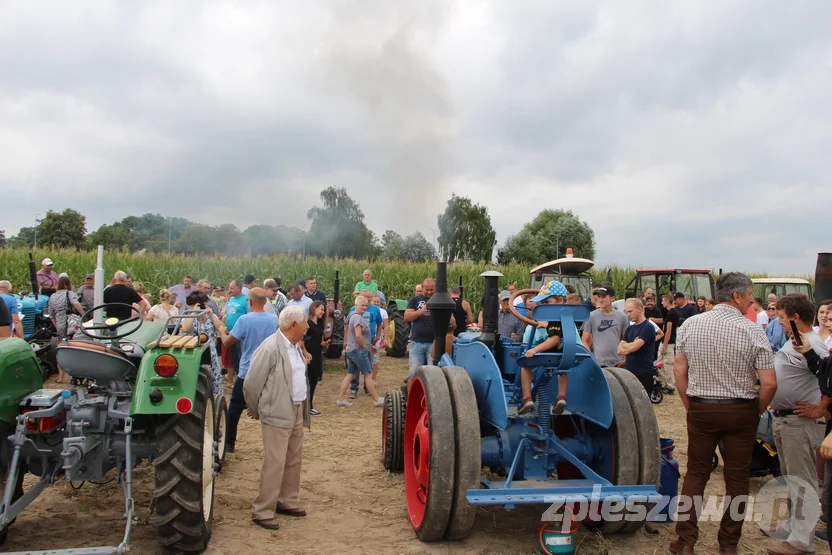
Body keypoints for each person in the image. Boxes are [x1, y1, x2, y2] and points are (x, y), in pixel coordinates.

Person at [668, 272, 776, 555]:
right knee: (737, 479)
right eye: (750, 295)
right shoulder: (753, 330)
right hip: (741, 410)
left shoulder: (691, 324)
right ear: (737, 296)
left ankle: (686, 541)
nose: (752, 301)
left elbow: (679, 370)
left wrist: (689, 404)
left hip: (702, 406)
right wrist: (756, 411)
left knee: (696, 474)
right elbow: (769, 382)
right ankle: (728, 544)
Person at [765, 294, 828, 555]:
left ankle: (802, 541)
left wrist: (821, 408)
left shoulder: (815, 345)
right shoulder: (797, 343)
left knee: (802, 481)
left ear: (795, 318)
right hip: (785, 419)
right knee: (792, 479)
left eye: (781, 317)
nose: (778, 322)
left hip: (799, 421)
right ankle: (795, 526)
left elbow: (828, 376)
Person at [244, 305, 311, 530]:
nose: (308, 326)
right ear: (293, 325)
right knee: (275, 462)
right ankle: (262, 510)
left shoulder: (295, 346)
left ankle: (287, 501)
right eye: (305, 322)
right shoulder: (270, 348)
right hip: (277, 412)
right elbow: (252, 383)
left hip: (296, 410)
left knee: (293, 459)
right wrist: (256, 409)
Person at [220, 288, 278, 453]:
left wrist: (222, 331)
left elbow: (228, 343)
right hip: (269, 370)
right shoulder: (274, 319)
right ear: (266, 302)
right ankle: (274, 444)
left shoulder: (244, 320)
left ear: (250, 302)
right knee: (271, 406)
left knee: (235, 407)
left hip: (248, 371)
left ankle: (229, 442)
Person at [518, 281, 569, 415]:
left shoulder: (555, 317)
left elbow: (554, 339)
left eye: (548, 302)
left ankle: (527, 398)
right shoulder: (568, 315)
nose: (545, 305)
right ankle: (561, 396)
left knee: (525, 363)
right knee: (564, 367)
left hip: (553, 353)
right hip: (567, 354)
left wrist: (534, 350)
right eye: (544, 303)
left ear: (561, 300)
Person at [335, 296, 384, 407]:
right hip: (358, 350)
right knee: (368, 374)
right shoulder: (357, 318)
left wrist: (370, 346)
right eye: (362, 305)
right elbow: (358, 335)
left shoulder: (352, 316)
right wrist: (364, 347)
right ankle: (377, 400)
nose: (364, 307)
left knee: (351, 374)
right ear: (356, 305)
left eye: (366, 305)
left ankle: (340, 399)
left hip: (351, 350)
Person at [180, 292, 226, 397]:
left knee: (215, 385)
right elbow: (185, 328)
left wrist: (211, 314)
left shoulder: (209, 318)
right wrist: (194, 312)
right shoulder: (187, 317)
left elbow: (222, 328)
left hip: (211, 355)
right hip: (195, 356)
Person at [48, 276, 85, 383]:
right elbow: (76, 303)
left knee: (61, 349)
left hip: (60, 325)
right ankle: (77, 375)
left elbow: (51, 315)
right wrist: (83, 315)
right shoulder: (69, 293)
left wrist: (57, 325)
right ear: (68, 284)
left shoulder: (53, 296)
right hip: (72, 325)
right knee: (77, 348)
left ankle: (60, 377)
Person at [581, 286, 628, 367]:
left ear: (612, 298)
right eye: (599, 297)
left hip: (618, 363)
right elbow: (585, 340)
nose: (600, 300)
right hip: (599, 363)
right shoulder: (591, 316)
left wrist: (625, 360)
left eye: (603, 297)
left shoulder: (622, 317)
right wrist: (590, 358)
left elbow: (627, 340)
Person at [348, 290, 383, 398]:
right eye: (365, 297)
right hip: (358, 342)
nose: (367, 300)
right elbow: (347, 325)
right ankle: (354, 388)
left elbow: (380, 323)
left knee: (369, 365)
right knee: (358, 367)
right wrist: (346, 340)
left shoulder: (376, 309)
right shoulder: (354, 310)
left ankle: (367, 388)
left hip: (370, 339)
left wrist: (377, 336)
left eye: (369, 298)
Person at [617, 298, 657, 392]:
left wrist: (628, 346)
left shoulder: (648, 327)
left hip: (644, 373)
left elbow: (635, 347)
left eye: (630, 311)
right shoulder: (629, 329)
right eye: (627, 312)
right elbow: (619, 350)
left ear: (639, 309)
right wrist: (631, 345)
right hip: (630, 372)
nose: (628, 315)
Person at [404, 278, 435, 392]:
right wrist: (422, 311)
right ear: (422, 288)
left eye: (431, 290)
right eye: (427, 289)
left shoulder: (438, 300)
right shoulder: (415, 300)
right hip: (417, 342)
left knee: (433, 374)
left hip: (433, 343)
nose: (429, 292)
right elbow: (407, 317)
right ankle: (411, 402)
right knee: (413, 373)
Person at [304, 301, 327, 417]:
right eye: (321, 309)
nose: (323, 312)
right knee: (309, 380)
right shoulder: (307, 324)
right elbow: (301, 340)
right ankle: (307, 406)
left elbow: (319, 340)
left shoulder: (320, 325)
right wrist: (305, 352)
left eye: (323, 310)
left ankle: (309, 405)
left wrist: (323, 343)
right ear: (314, 308)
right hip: (309, 356)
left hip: (317, 355)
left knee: (314, 381)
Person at [222, 280, 249, 380]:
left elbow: (249, 316)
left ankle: (243, 379)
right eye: (229, 287)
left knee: (241, 356)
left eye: (232, 288)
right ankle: (239, 378)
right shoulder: (231, 299)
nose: (230, 290)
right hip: (230, 333)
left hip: (241, 335)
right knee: (234, 358)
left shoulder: (245, 300)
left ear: (239, 288)